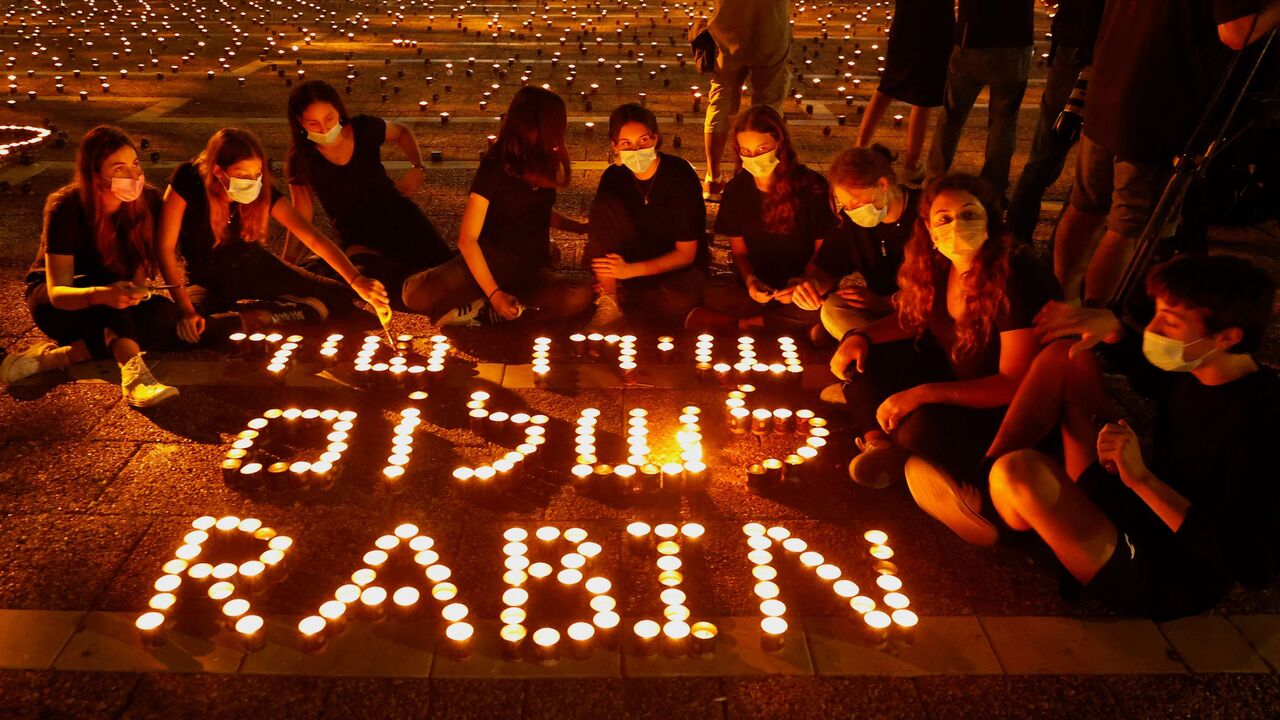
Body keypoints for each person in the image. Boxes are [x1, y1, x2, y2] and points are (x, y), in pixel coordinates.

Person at [971, 255, 1278, 620]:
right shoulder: (1200, 367)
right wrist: (1114, 331)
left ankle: (1003, 511)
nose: (1155, 328)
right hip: (1134, 502)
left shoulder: (1261, 423)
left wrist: (1143, 480)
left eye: (1172, 321)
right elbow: (1152, 374)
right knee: (1066, 356)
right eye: (1158, 313)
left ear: (1227, 337)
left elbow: (1254, 565)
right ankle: (980, 493)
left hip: (1166, 571)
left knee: (1019, 471)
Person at [830, 173, 1057, 507]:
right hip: (952, 379)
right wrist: (861, 335)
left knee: (917, 427)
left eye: (969, 214)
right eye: (944, 218)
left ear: (990, 220)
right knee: (862, 362)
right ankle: (880, 445)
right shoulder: (936, 264)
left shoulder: (1014, 275)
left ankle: (957, 483)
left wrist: (923, 394)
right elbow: (915, 318)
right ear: (930, 229)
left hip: (1000, 413)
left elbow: (1014, 384)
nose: (956, 226)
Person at [1051, 0, 1278, 303]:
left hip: (1107, 87)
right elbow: (1237, 32)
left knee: (1085, 205)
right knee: (1128, 225)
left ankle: (1062, 300)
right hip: (1157, 105)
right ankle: (1091, 323)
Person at [156, 128, 389, 344]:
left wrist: (356, 280)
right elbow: (164, 247)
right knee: (188, 330)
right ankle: (269, 315)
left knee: (341, 298)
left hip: (257, 267)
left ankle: (269, 314)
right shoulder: (188, 179)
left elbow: (311, 237)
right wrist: (186, 309)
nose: (252, 181)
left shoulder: (260, 189)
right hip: (206, 279)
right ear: (218, 170)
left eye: (257, 173)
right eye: (242, 174)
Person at [2, 125, 179, 406]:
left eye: (135, 164)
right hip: (62, 301)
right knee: (113, 308)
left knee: (164, 317)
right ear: (95, 175)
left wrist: (136, 289)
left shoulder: (149, 201)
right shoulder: (66, 207)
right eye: (119, 168)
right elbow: (58, 292)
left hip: (113, 295)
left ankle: (58, 358)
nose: (134, 175)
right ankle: (135, 377)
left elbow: (139, 270)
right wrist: (102, 294)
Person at [400, 87, 594, 325]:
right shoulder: (495, 166)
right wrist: (495, 293)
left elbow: (539, 212)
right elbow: (467, 239)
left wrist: (580, 228)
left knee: (579, 295)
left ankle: (485, 308)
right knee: (415, 294)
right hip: (491, 259)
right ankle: (493, 301)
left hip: (531, 266)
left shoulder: (546, 160)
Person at [284, 80, 453, 310]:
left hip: (399, 216)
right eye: (313, 123)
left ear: (339, 111)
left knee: (443, 270)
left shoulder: (364, 129)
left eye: (329, 119)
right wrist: (288, 262)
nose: (323, 129)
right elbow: (301, 215)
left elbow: (402, 132)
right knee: (390, 289)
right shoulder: (301, 159)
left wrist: (417, 168)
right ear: (299, 123)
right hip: (359, 239)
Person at [693, 106, 835, 334]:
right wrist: (750, 281)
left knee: (821, 306)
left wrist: (803, 283)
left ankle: (744, 324)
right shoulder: (737, 190)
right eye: (746, 151)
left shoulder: (812, 186)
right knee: (711, 292)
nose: (754, 158)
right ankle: (788, 324)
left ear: (780, 144)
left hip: (803, 284)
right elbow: (739, 252)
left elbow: (823, 252)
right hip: (758, 287)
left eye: (762, 149)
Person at [792, 145, 918, 402]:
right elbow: (826, 269)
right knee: (833, 306)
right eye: (846, 204)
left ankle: (871, 378)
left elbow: (935, 296)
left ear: (883, 184)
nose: (852, 209)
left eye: (857, 201)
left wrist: (883, 302)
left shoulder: (924, 214)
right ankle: (866, 361)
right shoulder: (853, 221)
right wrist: (810, 286)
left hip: (923, 314)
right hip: (879, 312)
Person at [583, 103, 708, 330]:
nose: (636, 150)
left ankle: (627, 297)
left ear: (656, 139)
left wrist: (630, 272)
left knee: (677, 299)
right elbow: (603, 232)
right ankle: (611, 300)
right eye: (626, 144)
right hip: (630, 258)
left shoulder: (679, 175)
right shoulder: (614, 177)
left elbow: (686, 254)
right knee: (603, 205)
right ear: (615, 146)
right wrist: (609, 278)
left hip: (676, 266)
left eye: (643, 140)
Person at [1004, 0, 1105, 246]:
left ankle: (1018, 238)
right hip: (1088, 53)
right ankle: (1022, 239)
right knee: (1069, 157)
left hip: (1075, 47)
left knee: (1049, 153)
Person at [925, 0, 1034, 201]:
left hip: (971, 38)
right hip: (1015, 42)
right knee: (1004, 121)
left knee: (953, 115)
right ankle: (993, 185)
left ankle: (935, 177)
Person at [854, 0, 955, 187]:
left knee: (887, 88)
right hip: (937, 24)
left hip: (906, 22)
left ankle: (859, 149)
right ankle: (911, 165)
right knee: (923, 97)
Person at [702, 0, 792, 201]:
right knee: (769, 103)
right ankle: (754, 175)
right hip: (771, 26)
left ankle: (713, 178)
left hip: (728, 28)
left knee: (721, 101)